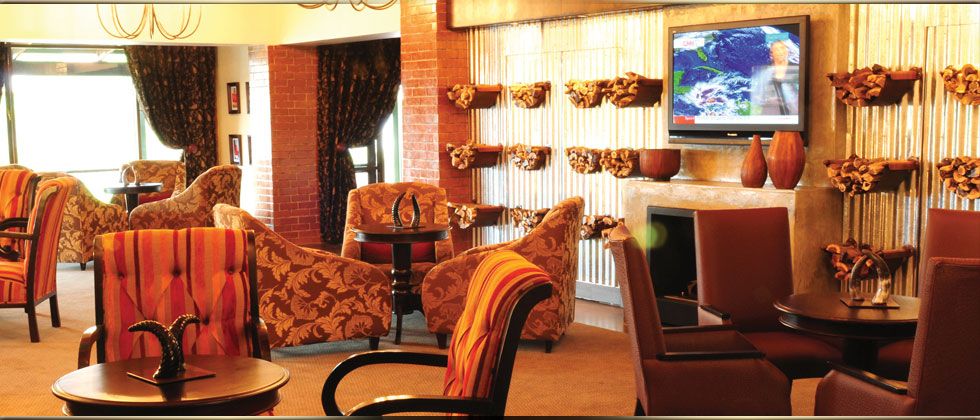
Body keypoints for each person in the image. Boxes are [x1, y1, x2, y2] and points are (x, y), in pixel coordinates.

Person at [750, 39, 800, 116]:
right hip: (771, 116)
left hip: (794, 117)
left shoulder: (797, 70)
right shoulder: (764, 73)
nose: (780, 52)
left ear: (787, 51)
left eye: (782, 48)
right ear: (771, 54)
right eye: (777, 49)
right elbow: (755, 99)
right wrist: (768, 101)